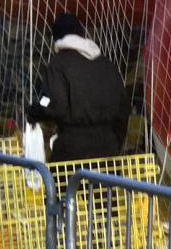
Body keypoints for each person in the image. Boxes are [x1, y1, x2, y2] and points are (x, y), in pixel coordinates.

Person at [26, 13, 131, 162]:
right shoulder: (107, 65)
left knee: (61, 185)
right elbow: (123, 108)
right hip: (108, 150)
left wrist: (34, 111)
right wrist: (115, 143)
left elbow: (53, 104)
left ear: (57, 39)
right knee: (105, 186)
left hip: (72, 151)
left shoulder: (59, 64)